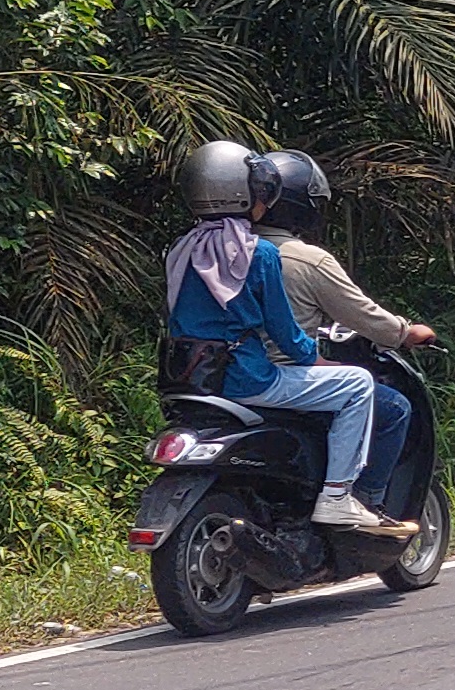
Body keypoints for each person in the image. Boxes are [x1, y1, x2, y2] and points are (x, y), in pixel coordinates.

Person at [161, 139, 414, 538]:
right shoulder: (258, 254)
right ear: (247, 194)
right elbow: (284, 332)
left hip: (192, 376)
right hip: (248, 377)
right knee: (359, 384)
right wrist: (315, 359)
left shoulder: (182, 249)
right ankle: (337, 496)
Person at [250, 149, 434, 517]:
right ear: (304, 206)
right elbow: (362, 314)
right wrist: (405, 332)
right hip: (277, 378)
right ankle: (360, 501)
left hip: (215, 376)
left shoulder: (218, 250)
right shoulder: (302, 259)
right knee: (394, 408)